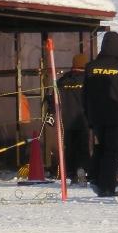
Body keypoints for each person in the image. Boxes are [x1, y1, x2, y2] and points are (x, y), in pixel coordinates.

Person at [83, 31, 118, 197]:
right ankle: (107, 186)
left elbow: (85, 94)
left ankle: (95, 178)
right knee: (113, 151)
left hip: (96, 116)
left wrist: (88, 116)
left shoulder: (91, 67)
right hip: (116, 115)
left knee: (100, 148)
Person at [50, 53, 90, 184]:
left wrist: (52, 114)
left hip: (66, 121)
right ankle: (82, 169)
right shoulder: (88, 80)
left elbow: (53, 99)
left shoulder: (62, 81)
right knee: (83, 147)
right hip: (83, 120)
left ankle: (72, 174)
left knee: (69, 148)